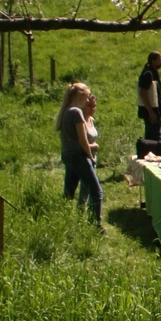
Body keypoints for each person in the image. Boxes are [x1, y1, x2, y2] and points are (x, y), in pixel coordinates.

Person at [57, 83, 103, 226]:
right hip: (79, 157)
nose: (88, 100)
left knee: (68, 194)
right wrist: (91, 157)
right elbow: (83, 142)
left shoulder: (66, 111)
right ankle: (95, 225)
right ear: (80, 95)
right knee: (97, 192)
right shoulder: (76, 112)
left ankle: (61, 222)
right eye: (87, 96)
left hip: (67, 155)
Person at [137, 51, 161, 141]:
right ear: (153, 61)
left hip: (154, 111)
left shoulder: (153, 73)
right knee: (154, 138)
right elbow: (143, 93)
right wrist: (151, 112)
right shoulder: (148, 74)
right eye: (160, 59)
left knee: (153, 137)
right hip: (151, 112)